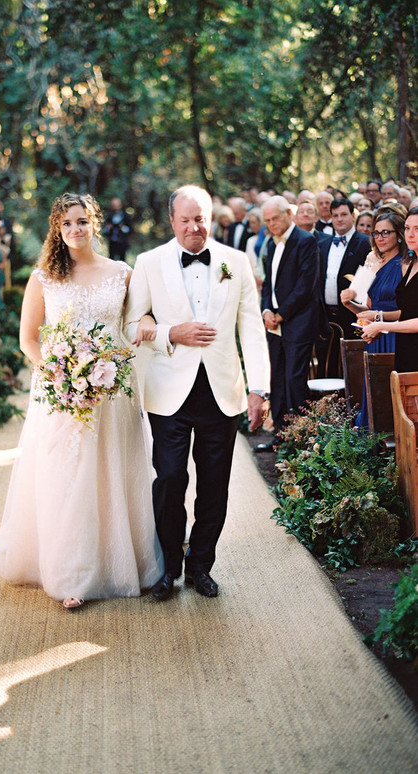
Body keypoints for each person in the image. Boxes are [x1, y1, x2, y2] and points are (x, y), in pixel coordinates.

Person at [0, 193, 163, 610]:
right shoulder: (44, 278)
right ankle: (71, 573)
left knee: (110, 471)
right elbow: (28, 339)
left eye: (82, 222)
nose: (75, 230)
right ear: (57, 229)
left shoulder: (122, 273)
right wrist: (57, 370)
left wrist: (145, 322)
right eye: (67, 224)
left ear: (95, 224)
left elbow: (141, 318)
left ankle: (122, 560)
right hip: (61, 392)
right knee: (69, 476)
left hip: (114, 390)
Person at [124, 184, 270, 601]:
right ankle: (168, 565)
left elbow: (252, 330)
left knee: (214, 485)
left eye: (200, 219)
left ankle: (201, 565)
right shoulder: (149, 263)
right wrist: (173, 332)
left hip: (222, 393)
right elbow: (132, 326)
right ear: (172, 221)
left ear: (212, 218)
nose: (194, 227)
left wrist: (259, 389)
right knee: (169, 479)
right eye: (185, 220)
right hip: (168, 392)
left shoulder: (235, 262)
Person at [258, 195, 320, 448]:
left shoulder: (306, 241)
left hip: (298, 321)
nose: (272, 224)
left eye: (276, 218)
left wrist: (281, 314)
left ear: (288, 214)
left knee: (294, 380)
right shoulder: (271, 244)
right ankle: (279, 436)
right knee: (277, 378)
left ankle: (299, 438)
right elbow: (267, 285)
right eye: (268, 221)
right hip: (274, 322)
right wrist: (265, 311)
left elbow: (305, 286)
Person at [341, 208, 407, 426]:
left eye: (385, 233)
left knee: (391, 396)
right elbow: (366, 312)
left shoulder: (406, 265)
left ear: (399, 234)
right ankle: (372, 452)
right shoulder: (374, 263)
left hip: (396, 337)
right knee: (374, 394)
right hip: (375, 338)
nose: (379, 238)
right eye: (376, 233)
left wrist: (379, 317)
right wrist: (349, 304)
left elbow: (407, 312)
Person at [315, 197, 370, 376]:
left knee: (351, 368)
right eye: (335, 215)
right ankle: (327, 404)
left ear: (353, 215)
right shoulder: (323, 244)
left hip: (352, 314)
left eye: (344, 214)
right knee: (326, 365)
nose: (339, 219)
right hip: (325, 316)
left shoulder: (365, 242)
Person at [360, 207, 418, 372]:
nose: (411, 234)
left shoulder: (404, 264)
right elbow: (407, 312)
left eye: (417, 229)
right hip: (404, 348)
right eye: (407, 228)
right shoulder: (412, 263)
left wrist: (381, 323)